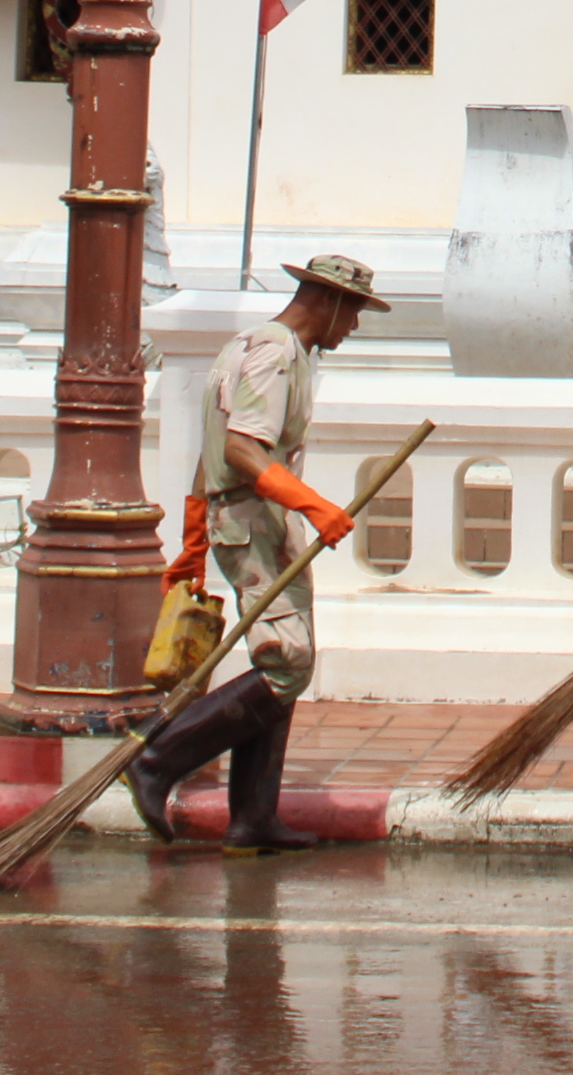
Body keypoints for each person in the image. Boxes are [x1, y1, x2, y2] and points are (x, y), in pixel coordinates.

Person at [131, 251, 388, 850]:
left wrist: (193, 543)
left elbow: (210, 448)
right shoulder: (275, 354)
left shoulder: (249, 347)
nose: (352, 328)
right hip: (255, 517)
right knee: (289, 661)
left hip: (246, 517)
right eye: (352, 315)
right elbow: (245, 451)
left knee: (279, 661)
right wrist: (313, 505)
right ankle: (157, 758)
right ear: (327, 303)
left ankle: (253, 817)